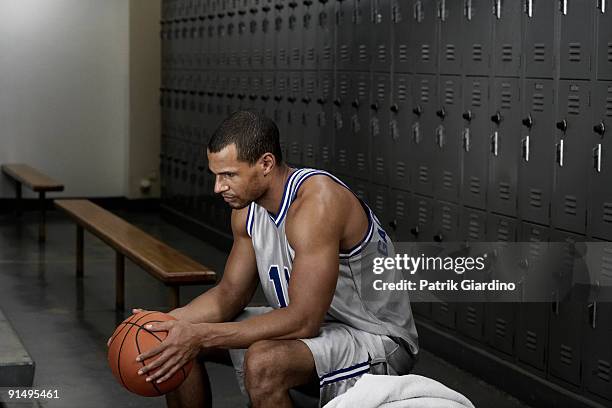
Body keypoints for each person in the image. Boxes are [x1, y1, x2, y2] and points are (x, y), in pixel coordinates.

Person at [133, 111, 418, 408]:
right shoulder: (246, 209)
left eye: (229, 175)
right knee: (170, 344)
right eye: (216, 175)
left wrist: (200, 334)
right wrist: (161, 325)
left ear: (266, 164)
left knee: (263, 363)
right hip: (322, 329)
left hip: (377, 340)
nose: (218, 188)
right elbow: (230, 294)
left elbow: (304, 321)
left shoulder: (317, 204)